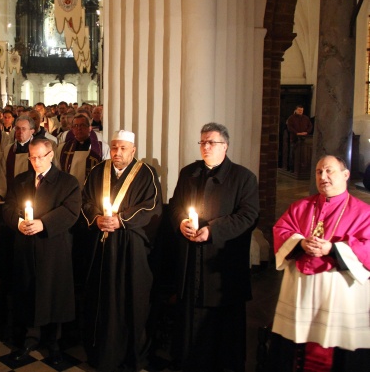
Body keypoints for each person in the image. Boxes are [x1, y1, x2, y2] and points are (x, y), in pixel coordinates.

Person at [169, 122, 259, 372]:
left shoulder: (243, 177)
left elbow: (249, 216)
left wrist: (213, 230)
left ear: (225, 146)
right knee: (191, 316)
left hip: (222, 261)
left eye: (212, 142)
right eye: (203, 142)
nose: (206, 147)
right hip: (191, 257)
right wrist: (180, 223)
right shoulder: (189, 173)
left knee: (223, 322)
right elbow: (176, 205)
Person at [267, 155, 370, 371]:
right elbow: (281, 230)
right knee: (296, 348)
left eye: (329, 171)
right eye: (319, 172)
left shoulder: (364, 212)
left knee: (336, 353)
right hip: (301, 292)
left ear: (346, 174)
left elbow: (367, 246)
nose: (323, 176)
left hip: (339, 295)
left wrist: (332, 249)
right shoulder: (301, 206)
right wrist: (300, 243)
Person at [81, 130, 162, 372]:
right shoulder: (98, 171)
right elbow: (85, 200)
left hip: (131, 248)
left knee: (130, 299)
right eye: (114, 147)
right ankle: (101, 352)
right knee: (101, 297)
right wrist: (96, 218)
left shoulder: (146, 174)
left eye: (123, 148)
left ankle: (132, 355)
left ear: (133, 150)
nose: (117, 153)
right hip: (101, 245)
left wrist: (121, 220)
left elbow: (152, 207)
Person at [3, 138, 81, 365]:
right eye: (32, 157)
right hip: (26, 246)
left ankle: (53, 341)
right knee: (28, 290)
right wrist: (18, 223)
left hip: (53, 247)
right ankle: (29, 338)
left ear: (51, 155)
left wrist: (43, 224)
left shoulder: (67, 182)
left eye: (40, 156)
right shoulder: (21, 180)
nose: (35, 161)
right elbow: (8, 207)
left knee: (52, 292)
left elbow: (70, 211)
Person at [55, 113, 109, 187]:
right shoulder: (62, 148)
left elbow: (106, 170)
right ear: (72, 129)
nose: (79, 128)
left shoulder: (102, 148)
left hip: (92, 189)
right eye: (76, 126)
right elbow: (58, 170)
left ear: (89, 128)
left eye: (82, 125)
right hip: (69, 189)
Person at [286, 105, 313, 171]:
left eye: (302, 110)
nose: (300, 111)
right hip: (294, 138)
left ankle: (302, 168)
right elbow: (290, 127)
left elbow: (310, 126)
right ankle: (292, 168)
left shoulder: (305, 118)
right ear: (296, 110)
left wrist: (306, 132)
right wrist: (297, 133)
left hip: (304, 138)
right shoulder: (291, 118)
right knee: (293, 153)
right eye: (299, 110)